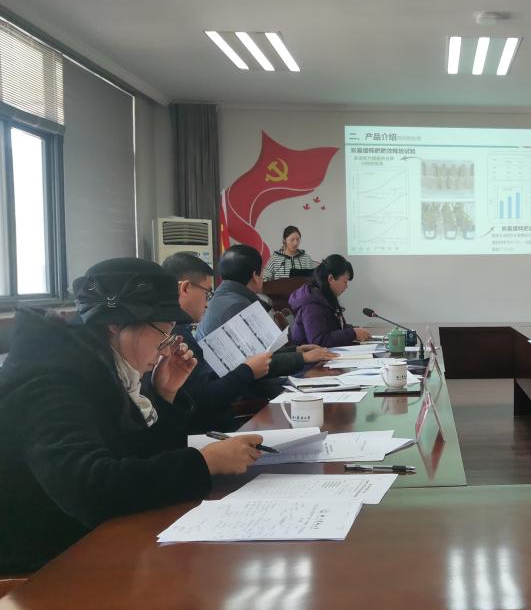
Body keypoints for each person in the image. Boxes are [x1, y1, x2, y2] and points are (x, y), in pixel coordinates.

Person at [0, 257, 264, 574]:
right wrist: (203, 463)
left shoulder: (98, 366)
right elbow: (92, 489)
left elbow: (132, 458)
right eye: (163, 333)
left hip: (88, 541)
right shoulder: (49, 383)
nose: (166, 349)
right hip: (39, 569)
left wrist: (165, 395)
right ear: (115, 323)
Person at [161, 252, 279, 432]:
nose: (207, 303)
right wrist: (247, 370)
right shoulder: (177, 337)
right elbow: (204, 400)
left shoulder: (178, 329)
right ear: (185, 289)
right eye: (206, 293)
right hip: (212, 436)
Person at [196, 244, 332, 367]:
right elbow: (258, 364)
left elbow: (260, 353)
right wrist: (302, 358)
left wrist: (295, 351)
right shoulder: (237, 306)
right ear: (255, 276)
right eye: (262, 272)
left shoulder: (224, 298)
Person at [289, 254, 371, 347]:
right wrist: (352, 333)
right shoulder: (312, 304)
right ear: (331, 279)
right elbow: (319, 341)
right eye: (345, 281)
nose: (346, 287)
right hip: (312, 355)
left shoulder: (325, 297)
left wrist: (354, 330)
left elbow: (334, 327)